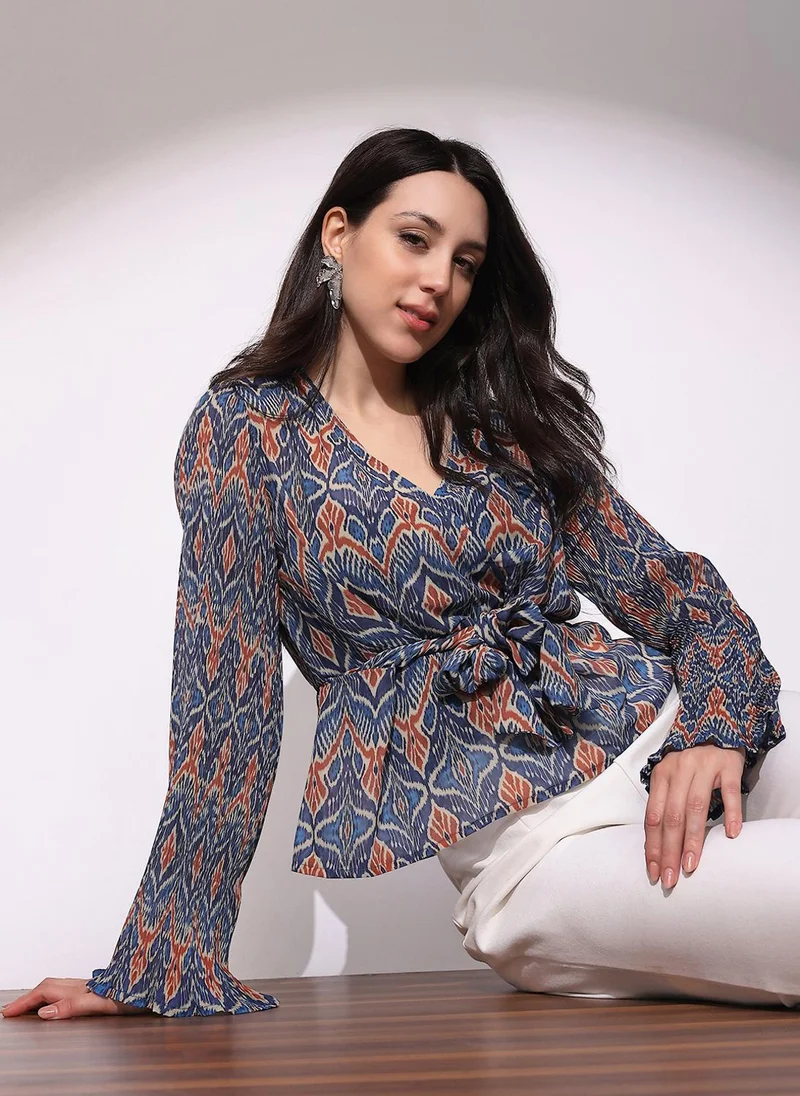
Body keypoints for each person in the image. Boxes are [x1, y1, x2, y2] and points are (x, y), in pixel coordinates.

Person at [2, 126, 792, 1022]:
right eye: (415, 239)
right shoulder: (250, 432)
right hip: (551, 852)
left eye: (465, 263)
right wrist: (161, 961)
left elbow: (677, 590)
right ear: (339, 235)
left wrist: (714, 730)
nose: (438, 281)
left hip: (690, 740)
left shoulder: (499, 423)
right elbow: (227, 708)